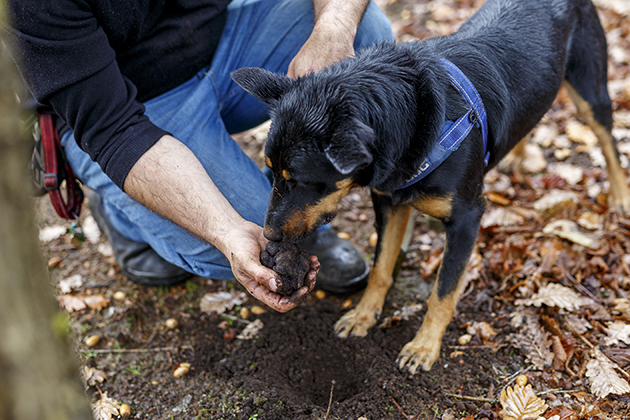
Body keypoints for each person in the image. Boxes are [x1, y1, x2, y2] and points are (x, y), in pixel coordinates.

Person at [6, 0, 395, 313]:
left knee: (366, 38)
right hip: (124, 108)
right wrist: (226, 231)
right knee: (251, 251)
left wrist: (332, 30)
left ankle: (282, 194)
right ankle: (122, 211)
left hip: (220, 38)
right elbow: (114, 131)